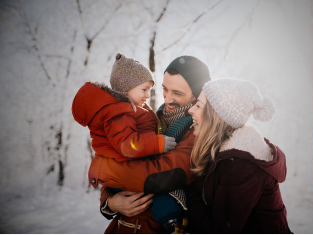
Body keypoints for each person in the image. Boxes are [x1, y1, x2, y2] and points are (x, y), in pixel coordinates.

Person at [88, 55, 212, 233]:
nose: (167, 99)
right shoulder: (150, 120)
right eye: (164, 89)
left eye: (177, 93)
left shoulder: (198, 131)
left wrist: (105, 168)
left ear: (197, 94)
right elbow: (120, 157)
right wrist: (111, 202)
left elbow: (164, 174)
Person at [72, 53, 184, 231]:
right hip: (124, 181)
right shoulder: (119, 112)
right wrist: (158, 143)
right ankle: (172, 224)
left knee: (158, 194)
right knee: (160, 196)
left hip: (127, 175)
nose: (148, 95)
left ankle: (172, 222)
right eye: (144, 89)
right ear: (127, 88)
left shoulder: (130, 110)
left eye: (150, 90)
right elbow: (127, 145)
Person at [186, 78, 292, 233]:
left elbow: (219, 230)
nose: (191, 110)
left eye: (198, 105)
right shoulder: (226, 153)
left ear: (214, 116)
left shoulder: (240, 165)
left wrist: (184, 193)